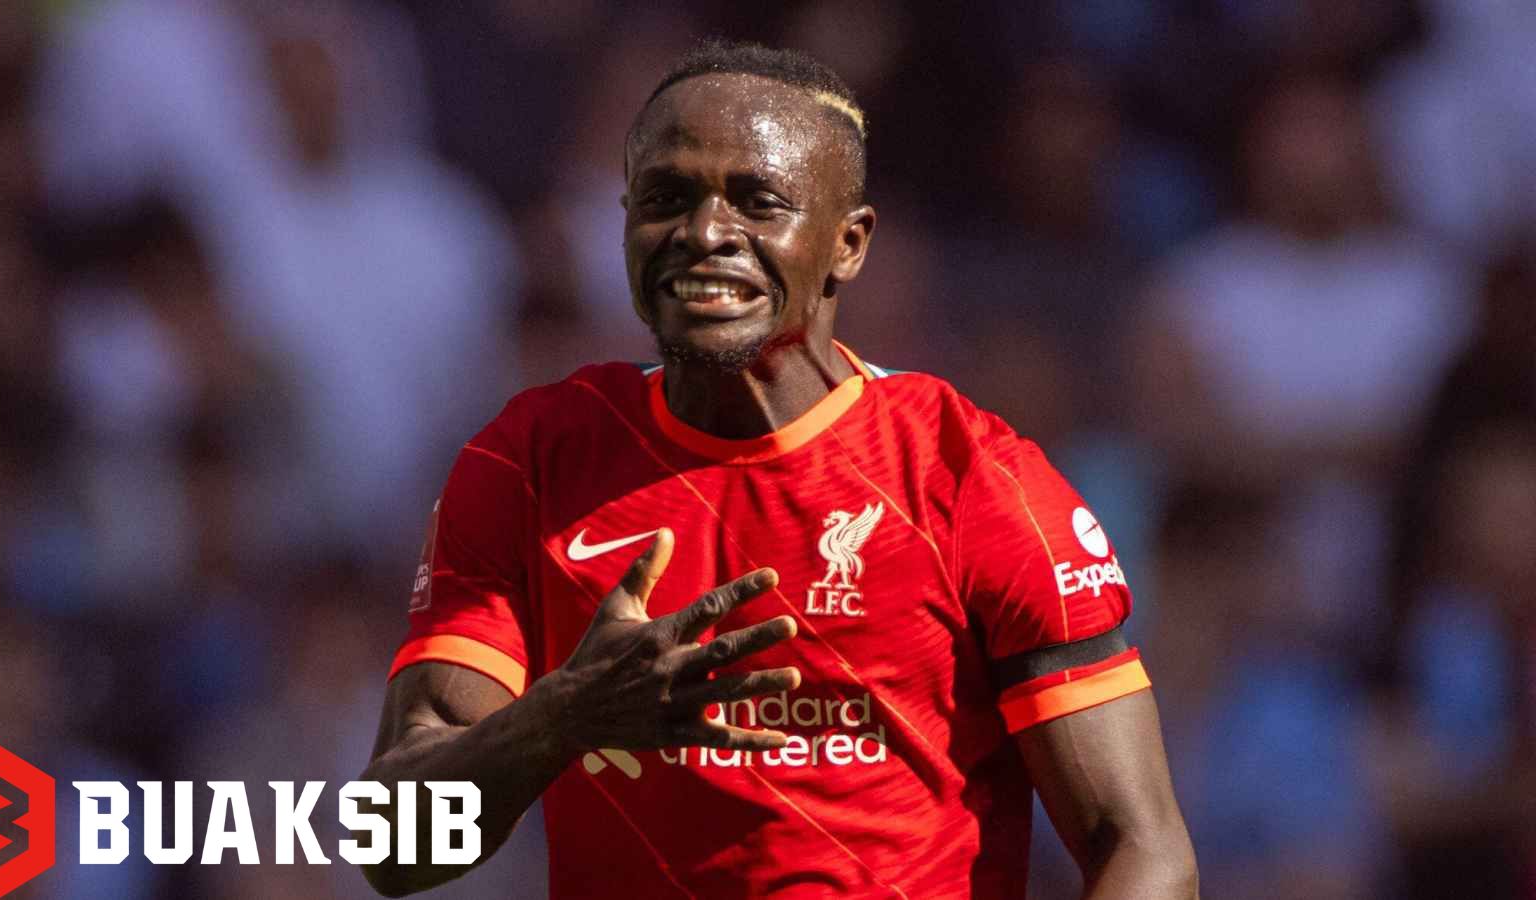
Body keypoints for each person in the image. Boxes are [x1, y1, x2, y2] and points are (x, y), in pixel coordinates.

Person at [360, 40, 1196, 899]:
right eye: (666, 198)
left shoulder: (970, 477)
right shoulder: (532, 460)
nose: (704, 233)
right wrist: (563, 717)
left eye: (757, 202)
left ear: (848, 243)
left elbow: (1143, 848)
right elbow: (391, 847)